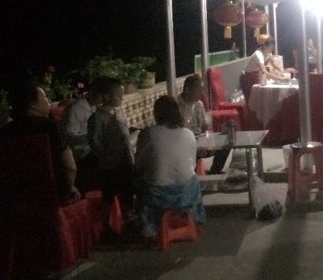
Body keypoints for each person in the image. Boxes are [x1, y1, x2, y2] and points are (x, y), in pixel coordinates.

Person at [135, 96, 206, 241]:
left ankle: (148, 224)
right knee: (192, 177)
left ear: (156, 113)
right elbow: (193, 165)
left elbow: (140, 164)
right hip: (186, 192)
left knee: (138, 179)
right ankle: (193, 217)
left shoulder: (149, 134)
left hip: (158, 194)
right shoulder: (188, 134)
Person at [0, 81, 81, 204]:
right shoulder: (51, 127)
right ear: (33, 104)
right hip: (52, 194)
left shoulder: (4, 132)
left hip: (17, 198)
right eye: (45, 97)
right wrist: (70, 188)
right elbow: (70, 167)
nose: (48, 101)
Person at [87, 77, 135, 220]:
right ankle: (107, 225)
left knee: (127, 195)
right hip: (109, 167)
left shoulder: (118, 113)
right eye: (119, 95)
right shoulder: (97, 118)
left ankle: (128, 220)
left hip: (126, 162)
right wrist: (107, 156)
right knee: (109, 197)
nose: (122, 98)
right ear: (107, 97)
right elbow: (95, 143)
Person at [177, 73, 230, 174]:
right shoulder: (176, 106)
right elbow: (178, 134)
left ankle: (214, 173)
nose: (201, 93)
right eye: (199, 90)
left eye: (202, 90)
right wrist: (197, 146)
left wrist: (207, 141)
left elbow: (204, 125)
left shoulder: (199, 104)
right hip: (185, 144)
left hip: (199, 140)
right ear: (187, 90)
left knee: (226, 143)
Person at [61, 77, 107, 192]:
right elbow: (67, 139)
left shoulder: (96, 106)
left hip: (93, 148)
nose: (104, 98)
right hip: (82, 154)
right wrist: (91, 137)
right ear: (92, 92)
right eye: (101, 94)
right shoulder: (76, 109)